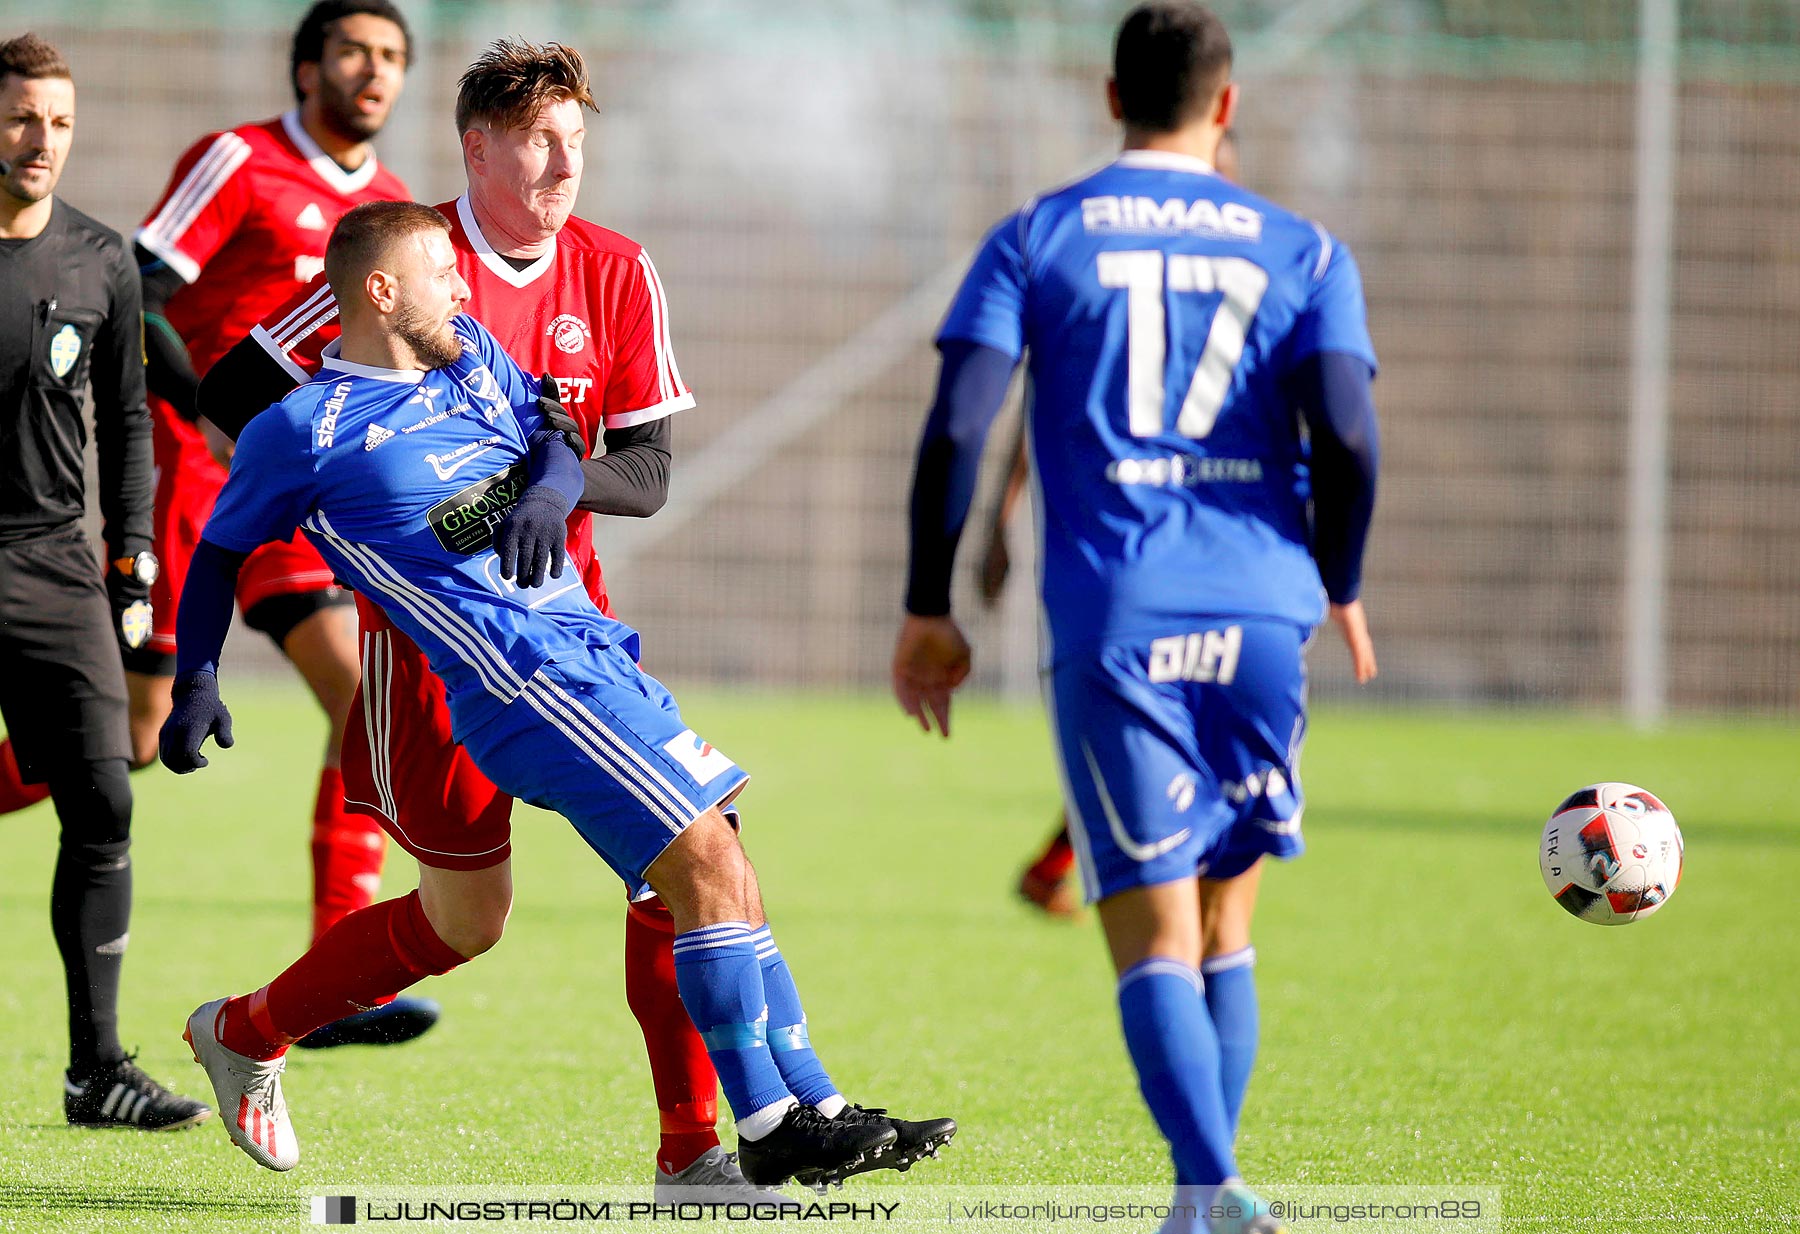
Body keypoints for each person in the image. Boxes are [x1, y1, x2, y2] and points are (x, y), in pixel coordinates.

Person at [163, 200, 954, 1189]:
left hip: (592, 652)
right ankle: (759, 1127)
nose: (461, 288)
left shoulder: (469, 356)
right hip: (519, 680)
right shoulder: (303, 428)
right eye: (441, 272)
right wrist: (195, 673)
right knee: (698, 860)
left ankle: (813, 1105)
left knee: (705, 865)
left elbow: (554, 426)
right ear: (380, 291)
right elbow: (218, 551)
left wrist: (549, 485)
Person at [891, 6, 1379, 1232]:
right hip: (1266, 608)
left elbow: (957, 426)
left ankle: (1210, 1189)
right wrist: (1344, 576)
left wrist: (926, 605)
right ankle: (1201, 1193)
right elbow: (1351, 434)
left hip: (1122, 610)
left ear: (1112, 96)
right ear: (1226, 107)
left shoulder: (1040, 234)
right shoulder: (1306, 250)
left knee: (1151, 925)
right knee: (1227, 919)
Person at [130, 0, 433, 1048]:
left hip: (308, 497)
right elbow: (138, 292)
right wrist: (208, 419)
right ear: (308, 67)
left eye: (392, 56)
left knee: (362, 702)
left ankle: (336, 977)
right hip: (199, 483)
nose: (374, 69)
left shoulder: (393, 206)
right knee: (122, 734)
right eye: (353, 49)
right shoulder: (237, 161)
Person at [0, 31, 211, 1132]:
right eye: (23, 116)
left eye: (60, 121)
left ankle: (96, 1072)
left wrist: (135, 552)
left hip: (53, 566)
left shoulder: (99, 257)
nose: (42, 140)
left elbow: (127, 421)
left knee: (105, 800)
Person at [989, 129, 1239, 921]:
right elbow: (1038, 406)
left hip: (1214, 548)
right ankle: (1172, 906)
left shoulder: (1244, 272)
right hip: (1121, 554)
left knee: (1188, 720)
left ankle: (1069, 865)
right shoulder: (1101, 274)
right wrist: (998, 519)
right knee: (1161, 719)